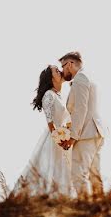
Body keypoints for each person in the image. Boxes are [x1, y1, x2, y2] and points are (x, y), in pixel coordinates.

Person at [11, 64, 72, 197]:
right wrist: (59, 139)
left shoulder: (58, 95)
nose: (60, 71)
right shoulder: (49, 95)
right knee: (48, 168)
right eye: (56, 71)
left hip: (62, 137)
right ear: (51, 78)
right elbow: (50, 123)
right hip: (54, 139)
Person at [59, 51, 106, 196]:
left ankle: (85, 207)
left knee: (78, 174)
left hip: (86, 133)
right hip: (95, 132)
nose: (62, 71)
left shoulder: (80, 78)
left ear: (70, 64)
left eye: (63, 66)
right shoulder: (89, 76)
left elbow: (81, 109)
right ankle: (101, 206)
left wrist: (73, 136)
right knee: (94, 174)